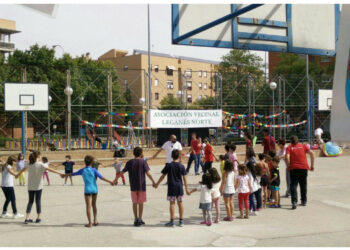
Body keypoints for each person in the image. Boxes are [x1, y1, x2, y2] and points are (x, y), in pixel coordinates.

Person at [16, 151, 64, 224]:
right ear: (38, 156)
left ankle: (27, 218)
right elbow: (50, 169)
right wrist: (60, 173)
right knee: (38, 201)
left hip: (30, 186)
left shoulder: (29, 164)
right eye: (40, 156)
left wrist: (17, 175)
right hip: (38, 186)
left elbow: (23, 169)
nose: (41, 157)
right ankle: (38, 218)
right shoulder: (41, 164)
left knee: (30, 201)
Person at [66, 155, 114, 227]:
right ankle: (95, 220)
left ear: (84, 162)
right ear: (91, 162)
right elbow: (102, 177)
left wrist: (64, 175)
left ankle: (90, 223)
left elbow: (73, 174)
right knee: (94, 205)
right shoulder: (94, 170)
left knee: (88, 206)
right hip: (94, 189)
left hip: (87, 190)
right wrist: (110, 182)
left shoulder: (82, 170)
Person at [119, 147, 156, 227]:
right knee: (141, 203)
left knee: (134, 203)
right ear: (141, 153)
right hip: (141, 186)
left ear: (133, 153)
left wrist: (115, 180)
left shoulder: (129, 162)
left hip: (133, 186)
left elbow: (122, 172)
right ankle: (140, 218)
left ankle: (135, 219)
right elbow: (148, 173)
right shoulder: (143, 162)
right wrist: (153, 182)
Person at [154, 149, 189, 227]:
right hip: (179, 187)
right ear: (179, 156)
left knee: (172, 203)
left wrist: (157, 183)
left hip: (172, 187)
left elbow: (162, 176)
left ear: (171, 156)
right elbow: (185, 178)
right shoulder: (181, 166)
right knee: (180, 203)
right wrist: (186, 188)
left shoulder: (169, 165)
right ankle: (181, 221)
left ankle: (172, 221)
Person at [286, 135, 315, 210]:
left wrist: (288, 165)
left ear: (291, 141)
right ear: (298, 140)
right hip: (303, 168)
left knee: (293, 185)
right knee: (303, 184)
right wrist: (312, 165)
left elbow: (287, 157)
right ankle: (304, 201)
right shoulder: (303, 146)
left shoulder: (289, 147)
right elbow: (312, 153)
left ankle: (294, 202)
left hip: (294, 168)